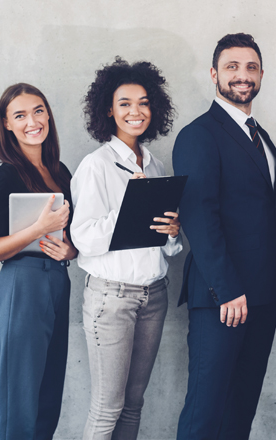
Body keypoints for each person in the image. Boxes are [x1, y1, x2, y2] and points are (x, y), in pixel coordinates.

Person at [172, 33, 276, 440]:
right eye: (232, 67)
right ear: (214, 74)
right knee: (205, 413)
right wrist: (227, 288)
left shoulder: (262, 137)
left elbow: (268, 219)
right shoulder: (199, 135)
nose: (242, 75)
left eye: (251, 67)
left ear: (261, 74)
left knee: (240, 413)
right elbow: (199, 216)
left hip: (262, 296)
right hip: (222, 298)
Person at [70, 57, 181, 440]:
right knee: (107, 408)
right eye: (125, 103)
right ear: (108, 110)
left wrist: (172, 231)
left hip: (155, 295)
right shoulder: (96, 166)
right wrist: (129, 207)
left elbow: (168, 248)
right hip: (111, 299)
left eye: (144, 102)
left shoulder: (156, 166)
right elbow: (82, 238)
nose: (136, 111)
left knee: (134, 404)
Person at [0, 83, 77, 439]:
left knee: (48, 398)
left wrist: (70, 251)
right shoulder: (6, 175)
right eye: (20, 115)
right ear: (7, 124)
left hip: (57, 282)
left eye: (38, 111)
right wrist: (37, 229)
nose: (32, 121)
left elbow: (75, 238)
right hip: (21, 286)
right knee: (17, 402)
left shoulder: (60, 171)